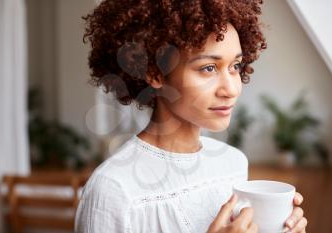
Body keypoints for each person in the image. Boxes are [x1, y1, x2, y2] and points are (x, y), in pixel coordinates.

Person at [75, 0, 307, 232]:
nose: (231, 90)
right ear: (155, 74)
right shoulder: (114, 189)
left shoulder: (234, 164)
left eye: (235, 66)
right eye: (208, 68)